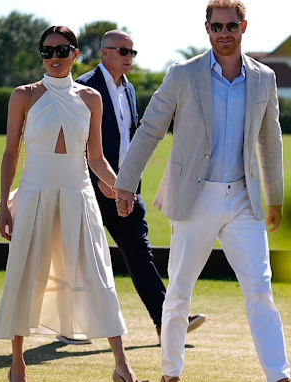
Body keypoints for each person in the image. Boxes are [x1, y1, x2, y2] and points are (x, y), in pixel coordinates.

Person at [114, 1, 290, 381]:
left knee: (260, 289)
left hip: (244, 200)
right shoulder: (183, 74)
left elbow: (270, 140)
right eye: (217, 27)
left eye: (231, 26)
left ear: (245, 27)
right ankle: (170, 372)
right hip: (194, 199)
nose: (224, 33)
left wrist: (274, 197)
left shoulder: (264, 78)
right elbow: (150, 129)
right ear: (206, 29)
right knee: (179, 290)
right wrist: (125, 184)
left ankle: (279, 375)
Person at [0, 26, 147, 382]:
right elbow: (11, 154)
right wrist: (3, 206)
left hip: (79, 194)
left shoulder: (92, 98)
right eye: (47, 51)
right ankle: (18, 364)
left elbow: (97, 159)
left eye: (62, 50)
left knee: (98, 272)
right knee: (25, 272)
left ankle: (122, 365)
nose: (54, 58)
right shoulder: (24, 96)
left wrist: (122, 189)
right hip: (34, 194)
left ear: (76, 54)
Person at [69, 30, 204, 346]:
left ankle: (165, 322)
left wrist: (126, 186)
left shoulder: (129, 90)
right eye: (123, 51)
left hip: (125, 190)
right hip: (90, 188)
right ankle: (70, 323)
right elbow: (76, 143)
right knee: (80, 256)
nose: (129, 57)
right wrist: (102, 180)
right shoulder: (85, 88)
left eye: (133, 52)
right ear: (105, 53)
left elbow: (132, 139)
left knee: (140, 253)